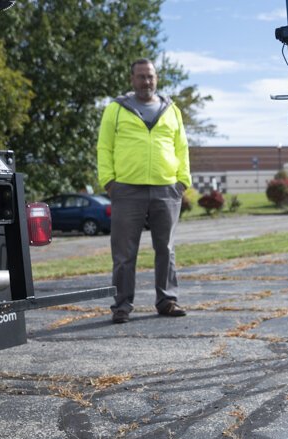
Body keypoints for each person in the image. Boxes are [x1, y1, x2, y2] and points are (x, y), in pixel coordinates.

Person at [97, 58, 191, 323]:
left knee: (166, 249)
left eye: (150, 76)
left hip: (166, 188)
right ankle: (122, 306)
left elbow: (181, 147)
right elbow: (104, 147)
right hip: (126, 189)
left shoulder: (171, 110)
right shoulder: (115, 109)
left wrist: (182, 181)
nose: (146, 81)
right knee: (125, 254)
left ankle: (167, 301)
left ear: (157, 78)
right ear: (132, 80)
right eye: (141, 76)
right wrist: (109, 181)